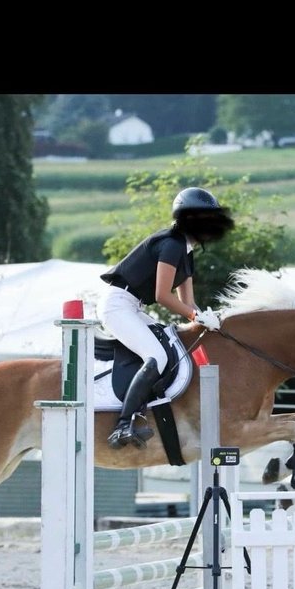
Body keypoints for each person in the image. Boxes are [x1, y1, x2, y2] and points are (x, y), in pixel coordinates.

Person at [99, 186, 235, 449]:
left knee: (172, 347)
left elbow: (188, 303)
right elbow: (163, 295)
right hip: (117, 305)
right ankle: (122, 425)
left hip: (133, 306)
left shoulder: (186, 251)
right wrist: (196, 315)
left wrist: (207, 317)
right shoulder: (171, 244)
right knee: (158, 356)